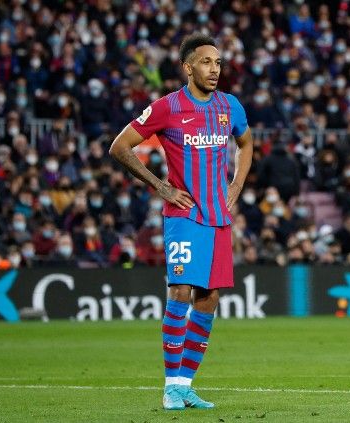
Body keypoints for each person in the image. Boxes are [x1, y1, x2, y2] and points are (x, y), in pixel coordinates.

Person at [109, 33, 252, 411]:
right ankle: (171, 386)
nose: (215, 69)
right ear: (188, 67)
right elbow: (120, 146)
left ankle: (185, 385)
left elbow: (247, 143)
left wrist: (236, 184)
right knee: (181, 291)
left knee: (209, 299)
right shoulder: (168, 107)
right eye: (206, 62)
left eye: (218, 63)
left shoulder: (229, 106)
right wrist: (160, 186)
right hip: (185, 215)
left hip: (218, 217)